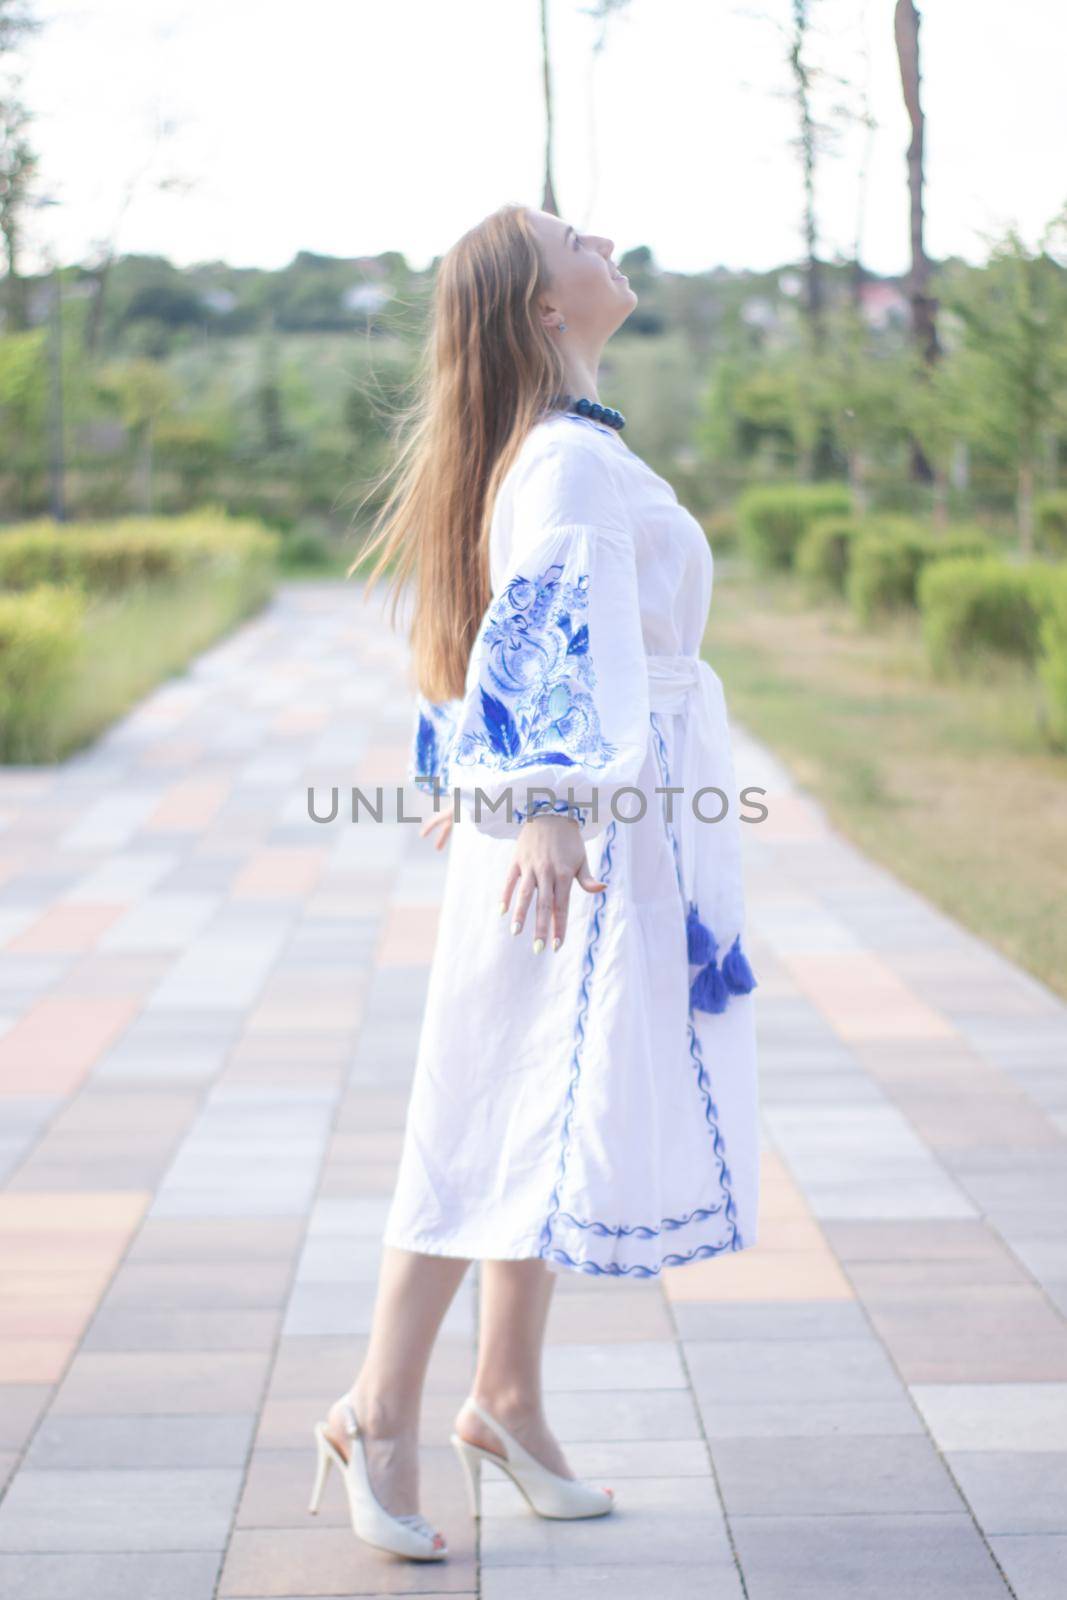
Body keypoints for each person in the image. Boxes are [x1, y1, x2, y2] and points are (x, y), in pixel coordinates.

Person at [308, 203, 760, 1562]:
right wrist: (546, 806)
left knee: (537, 1108)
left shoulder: (556, 450)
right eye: (574, 233)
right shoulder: (560, 460)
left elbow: (495, 616)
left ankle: (502, 1400)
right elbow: (543, 621)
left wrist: (473, 772)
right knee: (488, 1097)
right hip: (574, 835)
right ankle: (379, 1411)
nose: (604, 236)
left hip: (591, 817)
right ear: (541, 305)